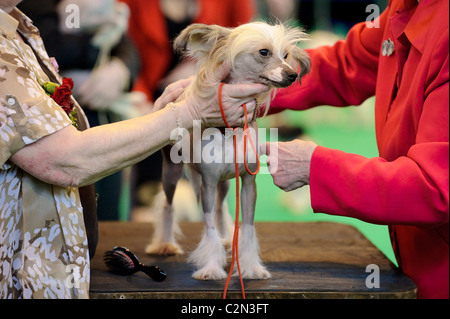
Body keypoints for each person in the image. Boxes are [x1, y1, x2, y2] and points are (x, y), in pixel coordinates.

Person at [0, 0, 267, 298]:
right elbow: (64, 159)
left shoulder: (16, 20)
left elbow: (127, 47)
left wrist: (120, 68)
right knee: (163, 188)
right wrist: (185, 109)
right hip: (143, 120)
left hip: (135, 123)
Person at [264, 0, 448, 299]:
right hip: (419, 257)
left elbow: (434, 188)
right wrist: (249, 83)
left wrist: (315, 166)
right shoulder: (405, 7)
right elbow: (348, 63)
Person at [119, 0, 256, 212]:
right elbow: (126, 51)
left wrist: (199, 69)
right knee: (151, 193)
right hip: (153, 103)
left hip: (211, 103)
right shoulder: (132, 4)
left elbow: (247, 49)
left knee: (213, 190)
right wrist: (142, 99)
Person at [17, 0, 141, 220]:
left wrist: (121, 70)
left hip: (102, 116)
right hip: (51, 124)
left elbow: (126, 45)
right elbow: (46, 47)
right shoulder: (29, 6)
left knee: (106, 216)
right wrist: (92, 46)